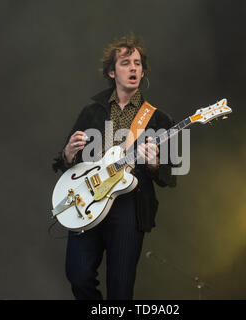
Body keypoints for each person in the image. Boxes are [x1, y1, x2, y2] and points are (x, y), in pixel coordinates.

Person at [52, 34, 176, 300]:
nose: (133, 68)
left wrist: (154, 162)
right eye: (125, 62)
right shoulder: (92, 112)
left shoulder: (157, 118)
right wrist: (68, 153)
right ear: (111, 71)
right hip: (89, 202)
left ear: (143, 72)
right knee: (78, 275)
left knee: (120, 289)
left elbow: (169, 175)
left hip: (129, 206)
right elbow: (64, 163)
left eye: (137, 63)